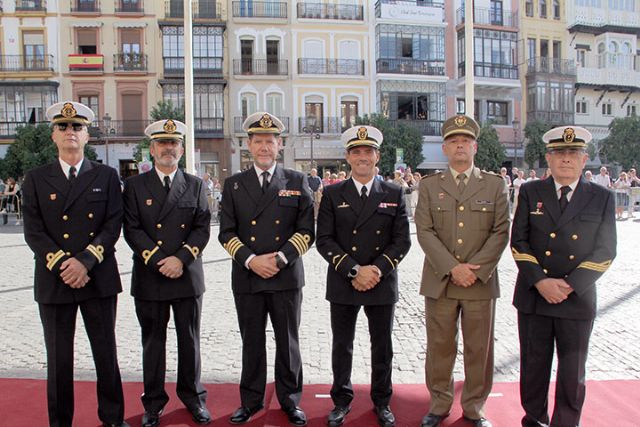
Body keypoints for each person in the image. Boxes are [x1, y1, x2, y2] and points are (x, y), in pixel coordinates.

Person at [21, 101, 128, 427]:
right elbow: (33, 231)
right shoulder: (36, 179)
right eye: (63, 127)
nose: (70, 132)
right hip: (55, 279)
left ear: (87, 136)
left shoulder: (107, 176)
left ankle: (112, 418)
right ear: (53, 135)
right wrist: (63, 265)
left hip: (96, 276)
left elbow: (113, 225)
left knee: (105, 353)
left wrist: (84, 261)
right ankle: (60, 422)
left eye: (77, 127)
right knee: (59, 358)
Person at [511, 126, 616, 427]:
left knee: (572, 373)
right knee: (533, 368)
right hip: (535, 295)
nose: (566, 160)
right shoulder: (531, 192)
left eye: (573, 154)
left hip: (576, 298)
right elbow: (519, 241)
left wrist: (569, 285)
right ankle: (533, 420)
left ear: (585, 160)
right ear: (548, 158)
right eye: (559, 154)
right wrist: (541, 281)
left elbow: (606, 250)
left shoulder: (602, 197)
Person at [218, 112, 314, 426]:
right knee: (252, 341)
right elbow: (226, 232)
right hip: (248, 275)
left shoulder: (297, 181)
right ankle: (250, 400)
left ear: (279, 144)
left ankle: (290, 400)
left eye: (269, 141)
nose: (264, 147)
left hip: (285, 275)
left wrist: (279, 259)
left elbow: (306, 230)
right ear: (248, 144)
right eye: (258, 141)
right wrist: (251, 260)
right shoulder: (233, 185)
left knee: (288, 341)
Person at [415, 114, 510, 427]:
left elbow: (500, 232)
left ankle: (474, 407)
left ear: (475, 147)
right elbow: (425, 231)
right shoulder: (429, 186)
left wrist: (473, 270)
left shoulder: (495, 185)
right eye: (453, 141)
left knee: (478, 348)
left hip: (479, 282)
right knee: (440, 346)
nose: (460, 146)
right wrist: (453, 268)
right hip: (441, 280)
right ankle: (439, 404)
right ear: (444, 148)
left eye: (465, 141)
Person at [316, 126, 411, 427]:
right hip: (345, 280)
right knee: (342, 345)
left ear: (377, 156)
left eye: (368, 152)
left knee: (382, 346)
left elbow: (402, 241)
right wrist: (355, 270)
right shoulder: (332, 193)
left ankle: (382, 401)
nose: (362, 157)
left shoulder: (395, 192)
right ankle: (341, 401)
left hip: (381, 281)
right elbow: (324, 240)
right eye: (356, 152)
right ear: (347, 157)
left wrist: (376, 270)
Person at [123, 119, 212, 427]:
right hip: (151, 275)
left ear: (182, 149)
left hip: (186, 276)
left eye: (173, 144)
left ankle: (193, 398)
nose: (168, 149)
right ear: (152, 149)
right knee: (153, 343)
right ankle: (153, 403)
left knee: (190, 341)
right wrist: (160, 260)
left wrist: (181, 260)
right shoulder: (134, 186)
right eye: (162, 143)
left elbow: (202, 229)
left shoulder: (196, 184)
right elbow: (132, 229)